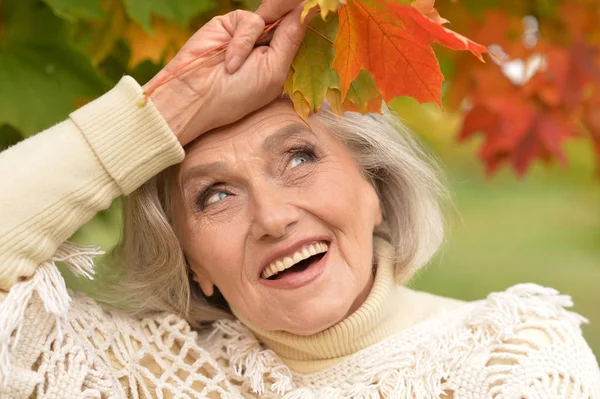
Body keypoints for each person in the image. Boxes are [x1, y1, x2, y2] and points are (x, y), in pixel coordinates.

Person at [1, 0, 599, 397]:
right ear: (191, 263)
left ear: (376, 188)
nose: (272, 217)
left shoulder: (509, 351)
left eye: (299, 158)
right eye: (214, 195)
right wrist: (166, 112)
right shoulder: (140, 372)